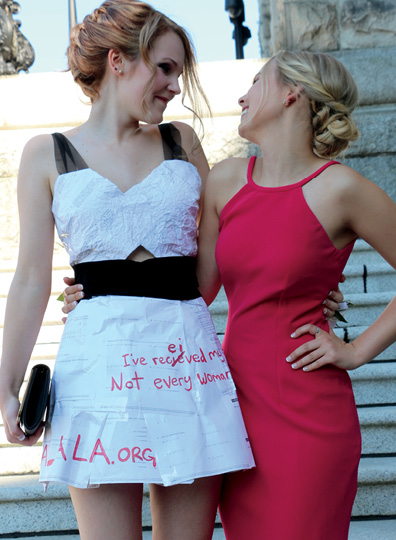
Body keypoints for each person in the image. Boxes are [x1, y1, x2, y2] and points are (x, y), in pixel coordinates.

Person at [0, 2, 257, 540]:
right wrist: (6, 382)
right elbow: (28, 278)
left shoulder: (180, 141)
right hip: (95, 364)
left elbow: (217, 252)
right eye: (164, 68)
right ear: (118, 61)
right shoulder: (46, 154)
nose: (174, 86)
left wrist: (305, 289)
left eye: (178, 72)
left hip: (184, 358)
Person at [194, 50, 396, 540]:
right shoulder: (224, 180)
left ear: (293, 93)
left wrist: (356, 350)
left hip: (308, 415)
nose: (243, 96)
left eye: (257, 81)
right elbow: (192, 293)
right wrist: (100, 291)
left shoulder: (342, 189)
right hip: (235, 412)